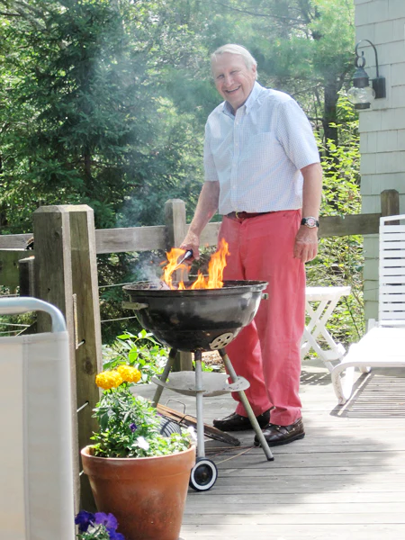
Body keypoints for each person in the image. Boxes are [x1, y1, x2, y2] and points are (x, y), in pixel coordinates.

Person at [180, 44, 322, 446]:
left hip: (278, 225)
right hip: (232, 229)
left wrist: (308, 225)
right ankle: (251, 406)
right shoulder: (215, 121)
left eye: (234, 72)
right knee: (233, 325)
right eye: (219, 77)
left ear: (252, 70)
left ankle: (287, 415)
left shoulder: (279, 107)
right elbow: (212, 185)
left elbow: (311, 168)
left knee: (277, 325)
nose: (228, 82)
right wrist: (193, 234)